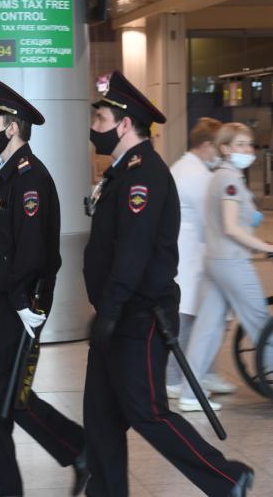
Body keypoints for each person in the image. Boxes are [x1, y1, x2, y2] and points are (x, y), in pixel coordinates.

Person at [83, 71, 254, 497]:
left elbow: (134, 253)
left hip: (139, 315)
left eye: (100, 119)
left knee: (149, 412)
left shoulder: (145, 175)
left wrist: (111, 310)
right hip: (115, 312)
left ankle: (227, 478)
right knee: (101, 417)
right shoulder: (121, 172)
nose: (95, 128)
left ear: (124, 124)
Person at [0, 80, 88, 497]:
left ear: (12, 128)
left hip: (24, 301)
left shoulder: (31, 180)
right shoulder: (8, 176)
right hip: (4, 295)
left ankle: (80, 449)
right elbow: (0, 245)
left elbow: (31, 253)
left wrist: (16, 300)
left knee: (10, 392)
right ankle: (2, 482)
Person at [179, 122, 273, 411]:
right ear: (225, 148)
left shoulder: (218, 176)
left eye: (249, 144)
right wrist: (268, 247)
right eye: (240, 144)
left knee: (208, 327)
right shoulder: (230, 179)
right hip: (232, 262)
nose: (248, 150)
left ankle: (190, 393)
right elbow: (232, 227)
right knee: (259, 321)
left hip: (215, 261)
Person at [167, 117, 236, 401]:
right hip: (191, 257)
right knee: (188, 321)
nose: (221, 153)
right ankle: (174, 379)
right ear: (208, 145)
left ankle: (202, 371)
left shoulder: (186, 167)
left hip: (192, 256)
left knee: (198, 318)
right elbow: (215, 220)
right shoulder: (195, 175)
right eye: (220, 147)